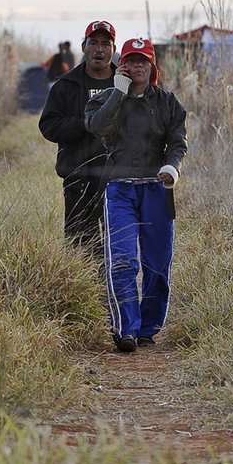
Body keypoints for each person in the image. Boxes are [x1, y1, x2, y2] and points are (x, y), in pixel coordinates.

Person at [86, 37, 188, 353]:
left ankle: (148, 328)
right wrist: (118, 92)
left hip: (158, 190)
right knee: (122, 260)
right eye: (130, 60)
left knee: (157, 264)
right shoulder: (105, 99)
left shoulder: (169, 103)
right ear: (123, 66)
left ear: (152, 66)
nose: (137, 66)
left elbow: (177, 143)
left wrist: (172, 167)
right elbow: (98, 128)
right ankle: (125, 330)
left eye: (143, 60)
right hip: (120, 190)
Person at [39, 20, 117, 253]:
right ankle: (83, 289)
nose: (99, 49)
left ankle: (114, 289)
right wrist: (83, 124)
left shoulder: (125, 84)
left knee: (118, 246)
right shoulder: (66, 85)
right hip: (78, 177)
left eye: (106, 43)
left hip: (118, 179)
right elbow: (48, 126)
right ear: (84, 47)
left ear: (113, 49)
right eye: (93, 42)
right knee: (79, 248)